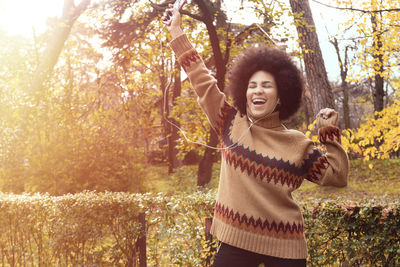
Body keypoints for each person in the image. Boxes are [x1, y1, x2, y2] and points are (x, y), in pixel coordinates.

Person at [162, 5, 349, 267]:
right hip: (234, 244)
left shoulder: (296, 143)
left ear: (280, 95)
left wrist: (328, 135)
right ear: (244, 92)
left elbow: (337, 176)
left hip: (286, 248)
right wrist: (177, 32)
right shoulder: (230, 122)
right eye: (252, 85)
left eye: (266, 85)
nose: (257, 90)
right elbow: (201, 80)